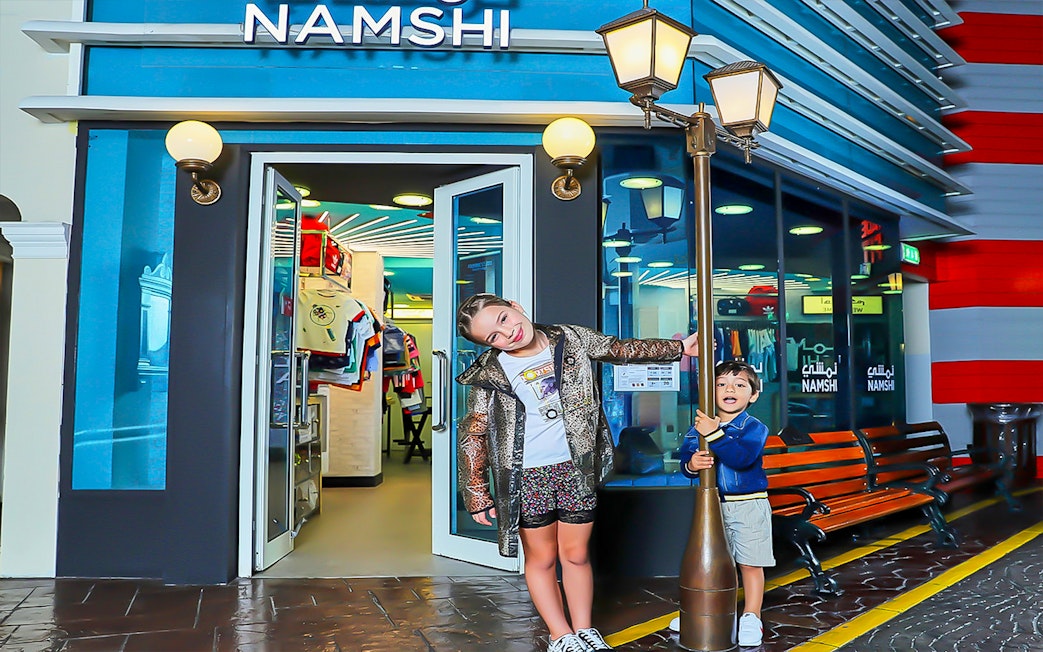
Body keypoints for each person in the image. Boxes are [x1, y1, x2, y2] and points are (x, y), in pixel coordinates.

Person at [455, 293, 700, 652]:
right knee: (542, 558)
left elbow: (618, 349)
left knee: (576, 555)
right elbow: (473, 431)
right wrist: (476, 492)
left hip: (576, 468)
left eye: (504, 319)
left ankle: (584, 630)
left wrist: (678, 350)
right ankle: (561, 635)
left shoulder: (570, 338)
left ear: (515, 307)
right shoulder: (490, 373)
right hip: (527, 474)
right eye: (493, 336)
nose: (506, 333)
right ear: (488, 346)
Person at [678, 360, 774, 647]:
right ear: (710, 391)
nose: (729, 389)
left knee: (750, 563)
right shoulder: (699, 426)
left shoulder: (754, 427)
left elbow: (741, 459)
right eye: (721, 384)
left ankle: (751, 616)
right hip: (713, 507)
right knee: (718, 562)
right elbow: (684, 458)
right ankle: (717, 611)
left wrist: (714, 433)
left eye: (740, 385)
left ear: (753, 395)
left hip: (748, 504)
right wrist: (692, 465)